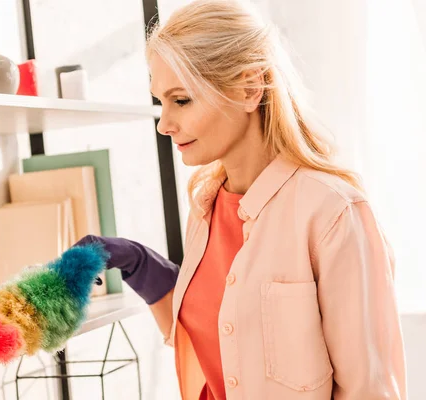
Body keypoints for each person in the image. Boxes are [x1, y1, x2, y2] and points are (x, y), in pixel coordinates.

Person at [75, 0, 407, 399]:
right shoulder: (204, 206)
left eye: (181, 100)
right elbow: (224, 340)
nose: (164, 124)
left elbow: (369, 389)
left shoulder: (333, 212)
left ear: (250, 88)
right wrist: (140, 265)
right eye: (160, 102)